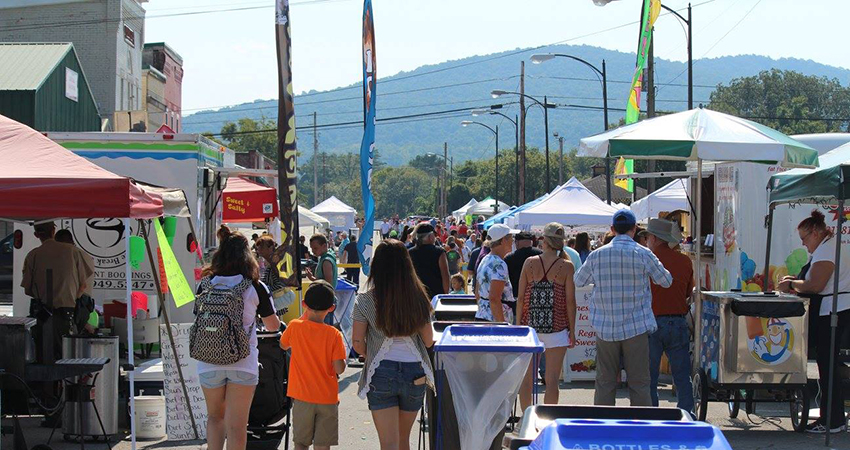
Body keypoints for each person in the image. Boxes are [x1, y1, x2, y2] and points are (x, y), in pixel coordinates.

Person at [574, 210, 672, 406]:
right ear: (634, 229)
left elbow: (579, 280)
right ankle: (640, 430)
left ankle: (604, 429)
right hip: (636, 327)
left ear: (612, 229)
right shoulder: (644, 253)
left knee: (604, 382)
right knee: (640, 383)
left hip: (605, 328)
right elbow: (666, 280)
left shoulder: (596, 255)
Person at [196, 226, 281, 450]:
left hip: (208, 359)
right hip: (242, 361)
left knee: (215, 418)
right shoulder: (255, 286)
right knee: (237, 425)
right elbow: (273, 326)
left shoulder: (205, 284)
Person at [352, 239, 435, 450]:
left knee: (388, 444)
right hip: (415, 372)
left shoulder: (365, 300)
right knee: (403, 441)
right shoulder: (419, 298)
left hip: (380, 372)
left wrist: (369, 350)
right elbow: (428, 340)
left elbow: (357, 343)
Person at [777, 210, 850, 433]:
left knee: (828, 366)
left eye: (804, 238)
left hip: (834, 310)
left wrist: (791, 284)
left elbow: (816, 285)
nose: (804, 244)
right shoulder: (826, 247)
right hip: (833, 309)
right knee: (827, 365)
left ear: (816, 232)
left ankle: (834, 420)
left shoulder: (827, 250)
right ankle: (831, 417)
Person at [516, 223, 576, 410]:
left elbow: (520, 299)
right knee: (551, 381)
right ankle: (548, 420)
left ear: (544, 240)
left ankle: (526, 419)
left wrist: (518, 326)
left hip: (530, 327)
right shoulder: (566, 266)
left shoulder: (530, 263)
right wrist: (572, 331)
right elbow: (570, 302)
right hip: (557, 328)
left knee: (526, 380)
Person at [280, 280, 346, 450]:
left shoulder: (295, 327)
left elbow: (283, 344)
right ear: (331, 308)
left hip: (302, 396)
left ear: (304, 304)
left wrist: (303, 318)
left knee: (301, 443)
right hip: (327, 398)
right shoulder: (334, 335)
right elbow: (339, 368)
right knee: (323, 445)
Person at [644, 219, 695, 415]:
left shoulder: (647, 260)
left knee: (650, 376)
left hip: (652, 321)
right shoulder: (684, 261)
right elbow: (688, 292)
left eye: (648, 237)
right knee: (682, 375)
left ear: (655, 238)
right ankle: (687, 413)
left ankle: (652, 414)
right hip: (678, 320)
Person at [22, 222, 93, 361]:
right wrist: (71, 297)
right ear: (53, 231)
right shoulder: (73, 252)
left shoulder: (33, 255)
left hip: (41, 315)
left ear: (36, 235)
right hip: (66, 314)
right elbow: (83, 285)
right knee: (65, 357)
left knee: (41, 357)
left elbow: (28, 289)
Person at [475, 224, 519, 323]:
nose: (513, 241)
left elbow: (477, 292)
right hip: (494, 321)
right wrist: (501, 325)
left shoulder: (485, 259)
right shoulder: (499, 264)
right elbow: (494, 298)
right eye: (511, 237)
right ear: (503, 240)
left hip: (483, 315)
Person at [408, 223, 450, 300]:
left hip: (416, 294)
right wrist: (445, 294)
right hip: (435, 296)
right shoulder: (439, 252)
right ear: (430, 237)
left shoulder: (409, 253)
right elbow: (445, 276)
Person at [505, 231, 543, 301]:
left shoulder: (509, 258)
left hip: (516, 296)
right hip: (537, 296)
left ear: (517, 242)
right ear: (531, 241)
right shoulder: (541, 255)